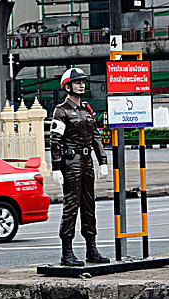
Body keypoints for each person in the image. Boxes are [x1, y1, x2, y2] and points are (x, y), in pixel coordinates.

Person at [50, 67, 110, 266]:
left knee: (89, 205)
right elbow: (55, 141)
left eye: (83, 82)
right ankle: (67, 252)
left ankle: (91, 249)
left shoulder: (87, 109)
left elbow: (95, 136)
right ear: (67, 86)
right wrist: (56, 167)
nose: (82, 85)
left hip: (87, 162)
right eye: (77, 82)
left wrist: (102, 160)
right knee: (71, 206)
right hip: (71, 162)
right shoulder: (62, 110)